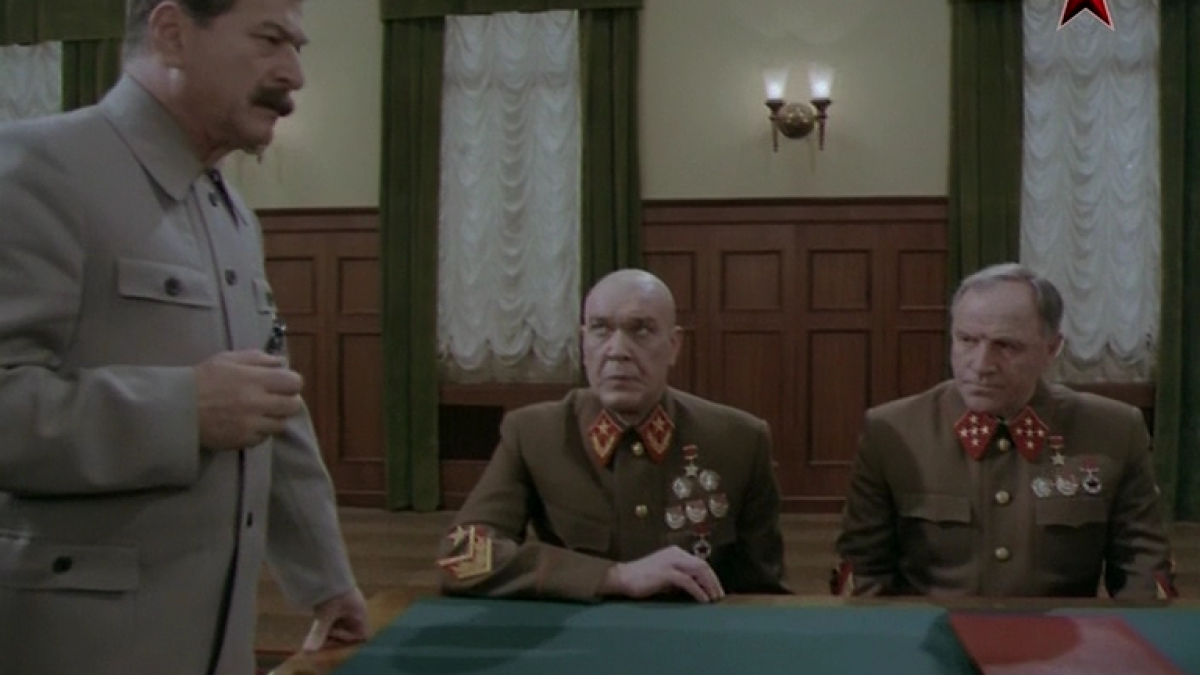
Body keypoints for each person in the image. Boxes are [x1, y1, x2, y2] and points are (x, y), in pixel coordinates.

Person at [0, 1, 368, 673]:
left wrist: (324, 578)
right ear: (172, 35)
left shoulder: (233, 216)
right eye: (270, 40)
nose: (294, 73)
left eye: (298, 47)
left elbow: (270, 404)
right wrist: (183, 410)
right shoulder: (36, 168)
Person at [437, 269, 788, 602]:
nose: (618, 350)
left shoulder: (740, 441)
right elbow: (462, 556)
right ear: (583, 343)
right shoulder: (533, 435)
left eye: (641, 330)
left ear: (673, 346)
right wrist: (614, 576)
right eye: (600, 329)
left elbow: (762, 593)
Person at [834, 263, 1175, 598]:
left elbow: (1143, 571)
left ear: (1051, 349)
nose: (981, 365)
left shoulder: (1114, 431)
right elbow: (865, 575)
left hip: (1061, 632)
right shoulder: (892, 433)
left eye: (1007, 346)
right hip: (933, 631)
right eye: (967, 340)